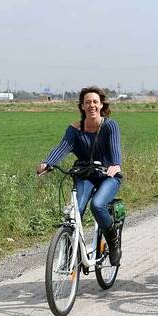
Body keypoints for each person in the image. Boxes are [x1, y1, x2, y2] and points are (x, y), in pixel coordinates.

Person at [36, 86, 123, 265]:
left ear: (101, 105)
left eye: (95, 102)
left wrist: (115, 165)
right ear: (82, 106)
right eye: (87, 102)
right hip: (85, 174)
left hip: (108, 175)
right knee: (75, 212)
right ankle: (70, 252)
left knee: (98, 205)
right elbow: (62, 147)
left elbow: (115, 150)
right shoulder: (74, 129)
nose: (92, 105)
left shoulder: (109, 126)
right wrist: (48, 163)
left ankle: (113, 242)